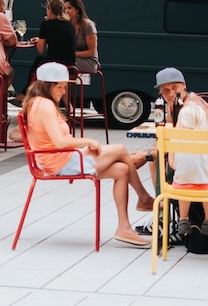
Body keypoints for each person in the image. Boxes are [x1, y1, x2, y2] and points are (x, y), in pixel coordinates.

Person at [22, 62, 152, 246]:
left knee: (122, 169)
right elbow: (60, 142)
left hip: (64, 157)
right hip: (61, 161)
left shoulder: (39, 102)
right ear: (47, 86)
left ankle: (124, 228)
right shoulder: (45, 106)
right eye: (59, 87)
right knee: (121, 150)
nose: (63, 91)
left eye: (64, 87)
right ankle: (144, 198)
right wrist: (88, 141)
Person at [145, 67, 208, 208]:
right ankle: (164, 209)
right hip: (206, 153)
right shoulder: (174, 106)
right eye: (165, 90)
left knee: (179, 169)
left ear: (184, 86)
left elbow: (182, 141)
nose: (171, 93)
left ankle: (173, 214)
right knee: (157, 158)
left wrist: (146, 154)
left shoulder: (192, 106)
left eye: (174, 88)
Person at [170, 99, 208, 238]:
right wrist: (202, 170)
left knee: (184, 190)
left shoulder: (175, 139)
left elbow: (172, 164)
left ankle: (183, 219)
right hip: (203, 183)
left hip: (179, 185)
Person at [32, 0, 76, 68]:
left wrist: (39, 41)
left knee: (38, 60)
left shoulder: (46, 24)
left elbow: (41, 50)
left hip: (53, 66)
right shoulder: (71, 25)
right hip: (69, 68)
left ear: (50, 10)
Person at [64, 0, 100, 77]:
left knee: (61, 64)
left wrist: (72, 54)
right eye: (65, 8)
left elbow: (92, 52)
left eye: (69, 8)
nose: (66, 11)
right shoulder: (67, 25)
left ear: (77, 9)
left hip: (89, 61)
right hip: (72, 58)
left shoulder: (88, 26)